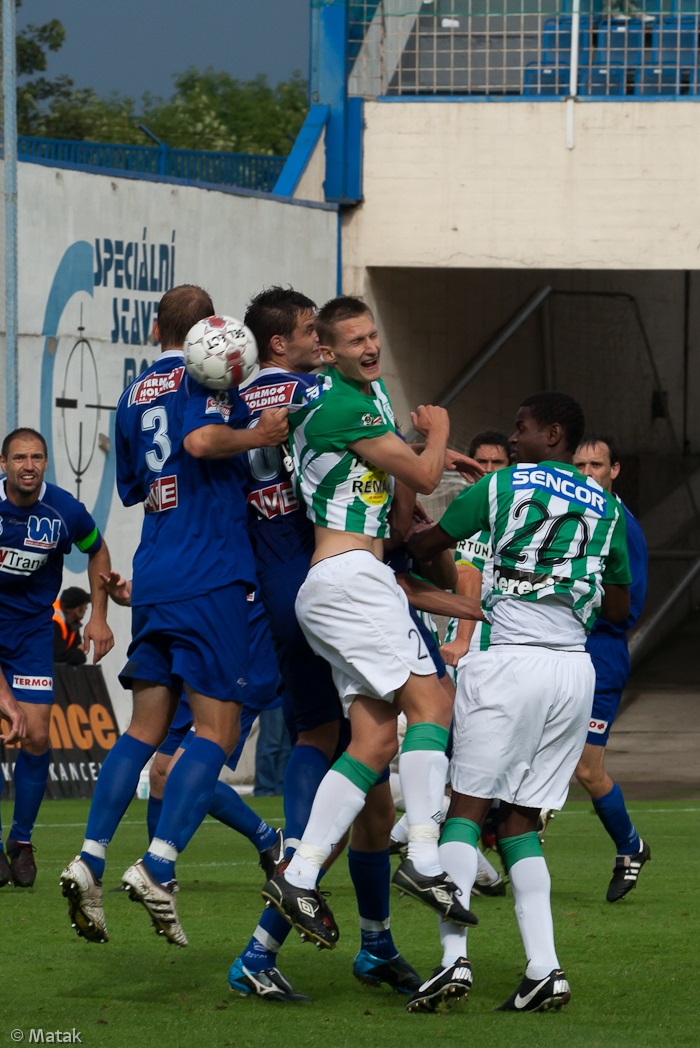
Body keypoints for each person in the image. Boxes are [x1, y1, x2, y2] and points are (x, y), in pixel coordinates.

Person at [60, 284, 289, 947]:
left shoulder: (131, 395)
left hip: (155, 569)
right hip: (210, 571)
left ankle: (92, 855)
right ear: (211, 334)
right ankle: (159, 864)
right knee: (215, 733)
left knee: (143, 731)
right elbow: (199, 441)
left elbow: (132, 487)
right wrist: (260, 433)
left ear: (156, 326)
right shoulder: (208, 375)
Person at [260, 294, 484, 953]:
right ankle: (421, 856)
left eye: (373, 335)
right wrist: (438, 434)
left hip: (345, 581)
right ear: (326, 351)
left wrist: (428, 452)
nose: (370, 347)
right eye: (354, 340)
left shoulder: (358, 398)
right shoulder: (342, 401)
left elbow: (392, 463)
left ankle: (298, 876)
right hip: (351, 578)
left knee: (376, 740)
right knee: (434, 700)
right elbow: (415, 471)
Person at [406, 391, 632, 1014]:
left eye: (522, 428)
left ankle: (453, 962)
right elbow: (619, 607)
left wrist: (411, 528)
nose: (514, 438)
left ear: (552, 433)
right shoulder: (609, 508)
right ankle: (544, 970)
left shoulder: (506, 486)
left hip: (511, 661)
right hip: (572, 672)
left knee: (464, 810)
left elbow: (429, 549)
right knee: (519, 823)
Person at [230, 287, 425, 1002]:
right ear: (288, 343)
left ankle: (374, 943)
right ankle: (295, 888)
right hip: (313, 579)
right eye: (317, 331)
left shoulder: (274, 398)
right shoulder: (308, 394)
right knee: (337, 744)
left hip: (324, 579)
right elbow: (403, 462)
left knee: (370, 781)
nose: (329, 340)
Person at [0, 427, 113, 889]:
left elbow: (98, 549)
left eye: (38, 457)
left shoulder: (64, 510)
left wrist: (99, 617)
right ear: (3, 464)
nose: (29, 465)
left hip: (29, 635)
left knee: (37, 736)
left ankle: (21, 841)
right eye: (20, 457)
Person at [572, 434, 650, 902]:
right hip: (561, 650)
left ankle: (630, 846)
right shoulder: (572, 516)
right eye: (579, 465)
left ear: (614, 470)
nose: (587, 474)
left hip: (601, 656)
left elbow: (628, 610)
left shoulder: (623, 525)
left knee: (587, 769)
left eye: (596, 465)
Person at [53, 586, 91, 665]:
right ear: (77, 610)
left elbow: (78, 653)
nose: (86, 608)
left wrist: (78, 654)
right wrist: (79, 653)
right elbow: (57, 656)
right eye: (85, 605)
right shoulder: (53, 621)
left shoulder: (72, 623)